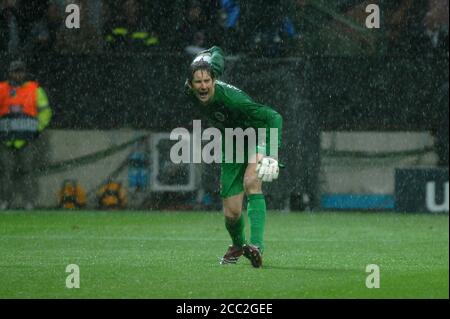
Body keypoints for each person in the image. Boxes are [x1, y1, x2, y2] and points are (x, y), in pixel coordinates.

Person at [184, 46, 283, 268]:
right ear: (190, 84)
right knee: (232, 212)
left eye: (207, 81)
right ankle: (239, 245)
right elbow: (217, 52)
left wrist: (272, 153)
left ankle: (256, 246)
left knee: (251, 182)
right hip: (232, 143)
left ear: (214, 79)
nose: (203, 86)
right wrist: (209, 54)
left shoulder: (233, 100)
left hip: (258, 135)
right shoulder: (190, 89)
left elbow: (274, 117)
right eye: (198, 82)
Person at [0, 60, 52, 210]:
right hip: (6, 140)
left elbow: (46, 112)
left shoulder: (35, 90)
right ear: (9, 73)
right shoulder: (2, 89)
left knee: (27, 171)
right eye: (15, 71)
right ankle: (5, 201)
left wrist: (37, 128)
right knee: (5, 172)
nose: (18, 74)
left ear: (24, 73)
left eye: (20, 71)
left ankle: (29, 202)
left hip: (27, 139)